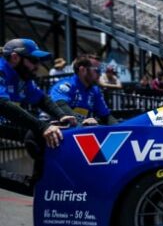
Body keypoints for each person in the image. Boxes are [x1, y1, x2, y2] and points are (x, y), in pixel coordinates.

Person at [0, 39, 76, 193]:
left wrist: (62, 116)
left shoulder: (21, 77)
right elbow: (2, 104)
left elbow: (41, 99)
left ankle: (37, 185)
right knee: (39, 130)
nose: (38, 66)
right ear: (15, 57)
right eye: (34, 60)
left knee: (36, 135)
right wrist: (42, 127)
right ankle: (34, 187)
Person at [50, 55, 117, 126]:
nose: (100, 74)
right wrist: (82, 122)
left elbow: (106, 116)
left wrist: (121, 129)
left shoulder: (95, 90)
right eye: (97, 70)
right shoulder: (65, 86)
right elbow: (60, 106)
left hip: (81, 130)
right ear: (82, 70)